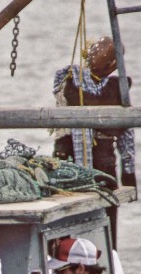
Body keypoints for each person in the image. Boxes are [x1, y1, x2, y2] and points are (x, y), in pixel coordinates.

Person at [52, 36, 135, 247]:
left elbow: (126, 132)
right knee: (70, 214)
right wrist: (60, 154)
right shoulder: (69, 82)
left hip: (103, 163)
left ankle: (107, 253)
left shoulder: (117, 87)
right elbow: (62, 126)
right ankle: (74, 253)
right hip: (72, 161)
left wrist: (128, 174)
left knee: (106, 213)